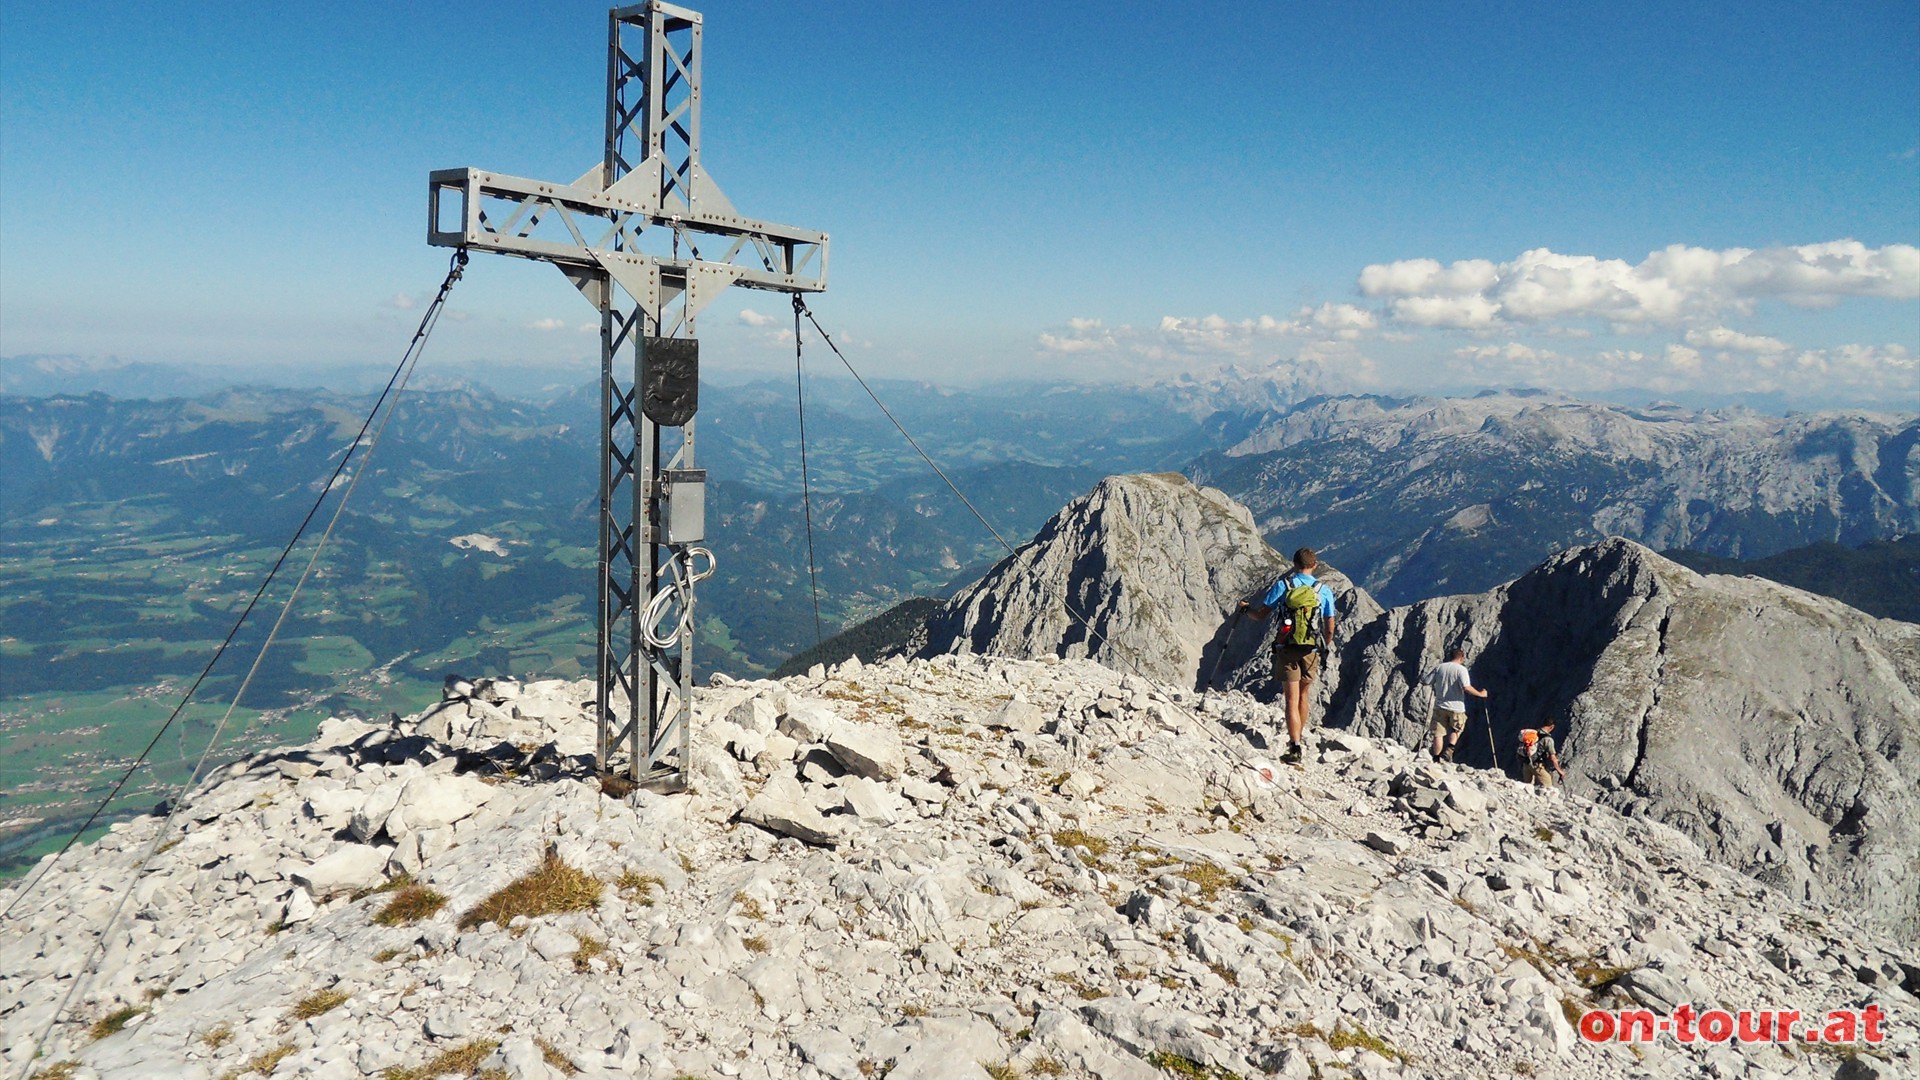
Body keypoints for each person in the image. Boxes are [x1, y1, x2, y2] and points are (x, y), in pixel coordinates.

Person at [1242, 547, 1337, 765]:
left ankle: (1294, 747)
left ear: (1293, 564)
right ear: (1315, 565)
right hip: (1311, 650)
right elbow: (1330, 627)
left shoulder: (1283, 586)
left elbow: (1259, 615)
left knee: (1291, 699)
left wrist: (1246, 610)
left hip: (1287, 648)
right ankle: (1298, 738)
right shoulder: (1323, 590)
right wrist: (1323, 645)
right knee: (1304, 695)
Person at [1421, 647, 1489, 762]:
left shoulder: (1439, 667)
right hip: (1456, 707)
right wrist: (1480, 694)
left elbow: (1426, 681)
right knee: (1457, 729)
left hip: (1440, 706)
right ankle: (1449, 749)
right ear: (1462, 658)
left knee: (1438, 734)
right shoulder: (1461, 670)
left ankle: (1436, 758)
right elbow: (1466, 687)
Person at [1523, 720, 1567, 788]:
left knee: (1527, 787)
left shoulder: (1533, 733)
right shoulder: (1548, 739)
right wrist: (1560, 771)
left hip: (1526, 764)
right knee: (1548, 787)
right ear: (1552, 727)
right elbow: (1553, 758)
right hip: (1537, 766)